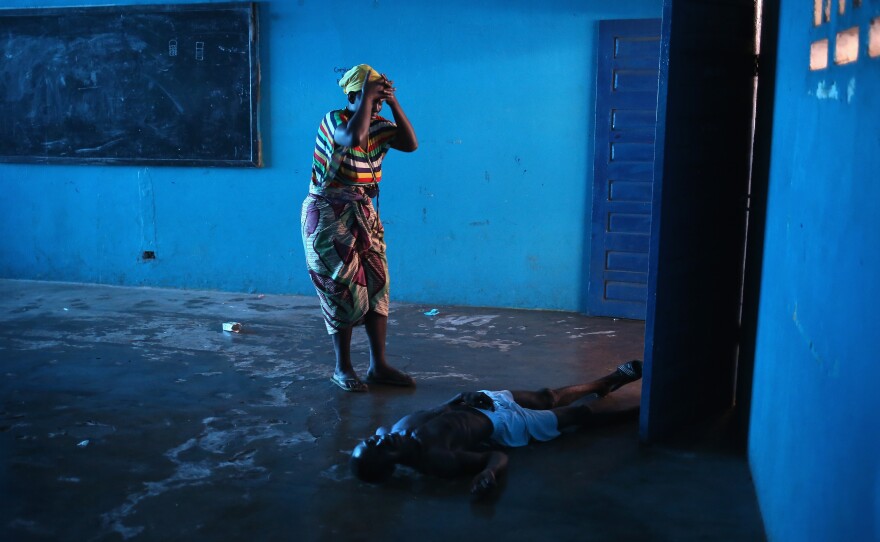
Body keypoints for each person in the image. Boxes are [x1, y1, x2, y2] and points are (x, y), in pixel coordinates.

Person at [350, 360, 643, 495]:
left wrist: (462, 397)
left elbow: (441, 409)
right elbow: (496, 457)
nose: (385, 437)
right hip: (505, 425)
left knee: (547, 395)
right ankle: (642, 413)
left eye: (376, 439)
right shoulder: (438, 459)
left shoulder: (396, 430)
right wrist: (489, 473)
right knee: (578, 416)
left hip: (480, 403)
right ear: (392, 464)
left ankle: (609, 380)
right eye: (385, 446)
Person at [302, 64, 418, 393]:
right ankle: (342, 368)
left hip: (362, 211)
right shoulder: (335, 120)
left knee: (377, 283)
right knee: (339, 285)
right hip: (328, 212)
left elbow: (410, 144)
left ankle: (378, 365)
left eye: (380, 98)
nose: (377, 103)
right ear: (353, 95)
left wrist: (394, 104)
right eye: (371, 96)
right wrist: (368, 96)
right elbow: (353, 137)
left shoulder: (379, 124)